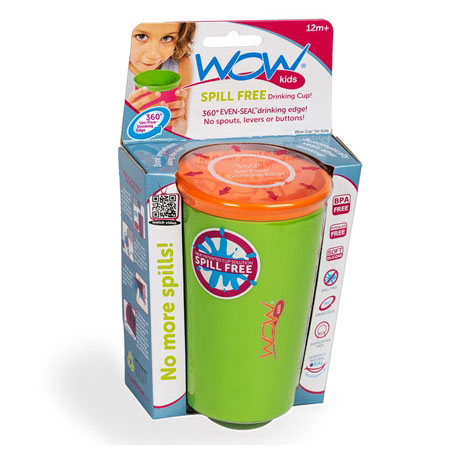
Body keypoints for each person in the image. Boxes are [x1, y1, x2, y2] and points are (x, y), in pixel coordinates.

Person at [126, 22, 196, 135]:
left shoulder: (180, 64)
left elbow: (182, 129)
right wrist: (130, 119)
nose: (153, 54)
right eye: (141, 36)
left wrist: (176, 121)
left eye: (167, 38)